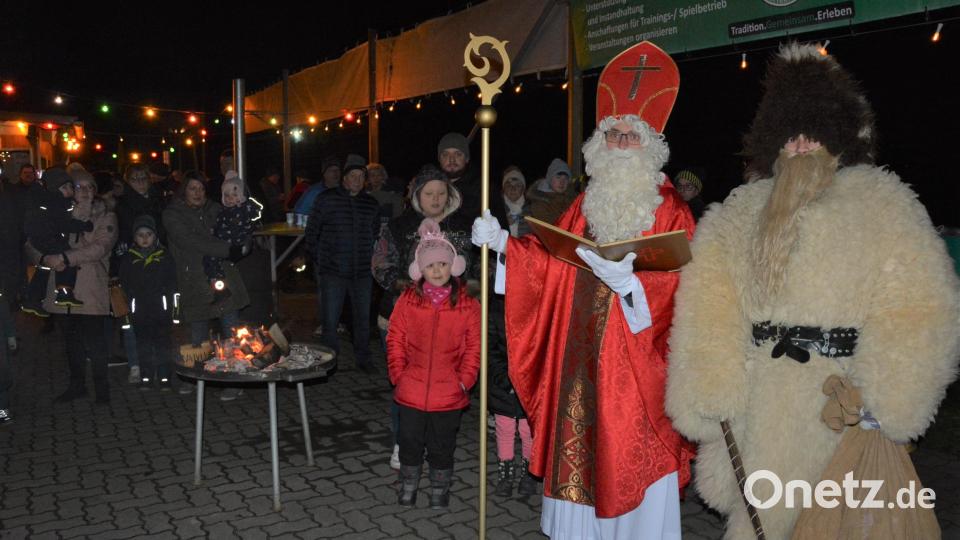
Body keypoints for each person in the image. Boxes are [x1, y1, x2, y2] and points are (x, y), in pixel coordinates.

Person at [665, 42, 960, 540]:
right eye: (790, 138)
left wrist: (885, 398)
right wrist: (710, 383)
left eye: (813, 137)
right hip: (763, 406)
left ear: (838, 140)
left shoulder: (882, 203)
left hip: (840, 406)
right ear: (772, 143)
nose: (800, 147)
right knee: (760, 523)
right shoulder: (740, 212)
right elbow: (709, 300)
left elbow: (920, 304)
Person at [471, 42, 694, 539]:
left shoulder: (672, 210)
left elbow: (685, 293)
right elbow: (554, 263)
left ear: (650, 144)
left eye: (629, 136)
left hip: (635, 379)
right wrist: (507, 246)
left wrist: (633, 287)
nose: (617, 143)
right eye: (610, 133)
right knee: (578, 470)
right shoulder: (585, 204)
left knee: (630, 474)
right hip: (578, 368)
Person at [372, 164, 471, 469]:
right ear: (417, 196)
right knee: (406, 384)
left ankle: (437, 444)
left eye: (442, 193)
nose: (436, 198)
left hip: (449, 319)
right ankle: (404, 442)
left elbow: (480, 268)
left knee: (441, 383)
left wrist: (468, 296)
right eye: (429, 193)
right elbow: (380, 263)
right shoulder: (400, 226)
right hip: (403, 317)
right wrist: (407, 290)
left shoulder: (464, 226)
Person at [387, 218, 480, 509]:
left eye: (442, 264)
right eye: (430, 265)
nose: (437, 270)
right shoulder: (408, 300)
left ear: (453, 267)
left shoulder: (468, 305)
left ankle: (440, 488)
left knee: (443, 445)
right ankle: (409, 484)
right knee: (410, 441)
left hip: (449, 392)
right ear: (420, 271)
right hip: (411, 390)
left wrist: (464, 381)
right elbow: (395, 339)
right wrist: (398, 375)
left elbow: (474, 348)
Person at [33, 169, 118, 404]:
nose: (86, 192)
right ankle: (77, 385)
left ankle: (102, 389)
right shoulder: (52, 212)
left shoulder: (105, 214)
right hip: (62, 288)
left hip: (90, 287)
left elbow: (101, 246)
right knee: (71, 342)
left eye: (91, 186)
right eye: (80, 187)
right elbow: (33, 240)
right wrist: (44, 259)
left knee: (96, 343)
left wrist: (66, 258)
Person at [163, 173, 249, 399]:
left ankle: (233, 378)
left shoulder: (217, 208)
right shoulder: (173, 214)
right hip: (193, 280)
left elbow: (236, 227)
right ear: (184, 191)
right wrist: (226, 249)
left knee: (231, 331)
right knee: (198, 334)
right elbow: (189, 241)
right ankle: (195, 377)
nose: (198, 193)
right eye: (193, 188)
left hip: (222, 277)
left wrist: (242, 242)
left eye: (201, 188)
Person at [305, 154, 380, 374]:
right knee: (330, 320)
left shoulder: (371, 203)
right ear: (344, 179)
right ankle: (329, 362)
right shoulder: (326, 199)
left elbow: (375, 232)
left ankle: (364, 358)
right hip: (333, 271)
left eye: (360, 176)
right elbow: (312, 231)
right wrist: (318, 260)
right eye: (352, 175)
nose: (356, 180)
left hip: (362, 273)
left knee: (362, 319)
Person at [21, 167, 95, 314]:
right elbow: (63, 223)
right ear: (55, 188)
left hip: (43, 238)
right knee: (66, 259)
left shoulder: (48, 200)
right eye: (64, 187)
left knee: (43, 270)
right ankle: (64, 291)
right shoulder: (57, 201)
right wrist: (83, 226)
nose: (69, 190)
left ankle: (32, 299)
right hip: (49, 238)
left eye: (70, 186)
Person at [118, 215, 178, 390]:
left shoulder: (165, 256)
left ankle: (164, 376)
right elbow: (124, 288)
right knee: (143, 345)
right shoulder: (129, 259)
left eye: (149, 234)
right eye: (140, 235)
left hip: (161, 310)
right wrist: (127, 314)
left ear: (155, 236)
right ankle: (146, 376)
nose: (144, 238)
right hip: (139, 312)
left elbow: (173, 284)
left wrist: (175, 311)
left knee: (163, 344)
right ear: (134, 238)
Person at [202, 171, 260, 304]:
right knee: (209, 260)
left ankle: (220, 287)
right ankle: (218, 286)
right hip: (223, 241)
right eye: (226, 195)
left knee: (212, 259)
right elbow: (220, 225)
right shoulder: (224, 211)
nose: (230, 199)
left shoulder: (243, 209)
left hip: (234, 242)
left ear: (240, 196)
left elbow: (250, 219)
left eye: (234, 195)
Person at [0, 178, 23, 355]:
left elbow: (14, 229)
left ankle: (9, 335)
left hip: (7, 257)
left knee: (5, 299)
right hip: (8, 257)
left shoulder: (9, 199)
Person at [527, 158, 577, 225]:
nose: (562, 182)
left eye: (565, 178)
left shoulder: (574, 200)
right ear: (550, 179)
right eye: (558, 177)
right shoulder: (539, 201)